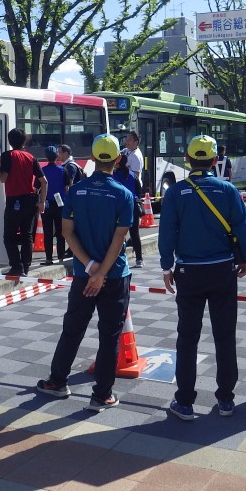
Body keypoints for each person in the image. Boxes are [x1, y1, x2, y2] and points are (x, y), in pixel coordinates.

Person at [159, 135, 246, 421]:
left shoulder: (176, 192)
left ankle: (185, 402)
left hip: (188, 272)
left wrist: (167, 268)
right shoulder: (227, 190)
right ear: (215, 161)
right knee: (224, 335)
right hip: (223, 270)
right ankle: (226, 399)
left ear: (188, 161)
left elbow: (167, 233)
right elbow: (243, 226)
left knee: (187, 337)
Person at [36, 133, 134, 412]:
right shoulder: (123, 194)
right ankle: (102, 395)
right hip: (114, 276)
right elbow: (119, 239)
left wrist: (90, 268)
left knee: (73, 329)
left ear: (91, 158)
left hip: (82, 274)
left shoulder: (76, 191)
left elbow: (67, 232)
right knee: (109, 335)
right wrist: (102, 272)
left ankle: (57, 381)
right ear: (117, 159)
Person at [0, 128, 46, 276]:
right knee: (26, 235)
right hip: (30, 199)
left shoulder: (7, 156)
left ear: (9, 141)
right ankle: (26, 266)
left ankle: (16, 266)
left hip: (14, 200)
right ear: (24, 142)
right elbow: (44, 181)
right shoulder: (31, 157)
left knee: (9, 236)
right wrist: (42, 202)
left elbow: (3, 178)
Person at [112, 154, 143, 268]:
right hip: (133, 206)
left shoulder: (114, 175)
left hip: (119, 207)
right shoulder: (132, 175)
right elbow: (139, 190)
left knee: (118, 234)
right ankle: (139, 259)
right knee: (135, 234)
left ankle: (118, 258)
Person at [121, 130, 146, 267]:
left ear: (136, 142)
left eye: (130, 139)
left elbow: (135, 177)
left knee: (133, 230)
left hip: (131, 194)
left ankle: (139, 258)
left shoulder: (136, 156)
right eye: (127, 139)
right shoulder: (126, 151)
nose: (127, 141)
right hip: (124, 193)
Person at [41, 146, 67, 265]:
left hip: (47, 204)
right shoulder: (63, 170)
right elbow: (67, 188)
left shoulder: (42, 170)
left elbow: (38, 187)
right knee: (60, 231)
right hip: (60, 204)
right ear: (57, 156)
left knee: (48, 232)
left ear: (46, 157)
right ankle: (61, 257)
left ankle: (48, 258)